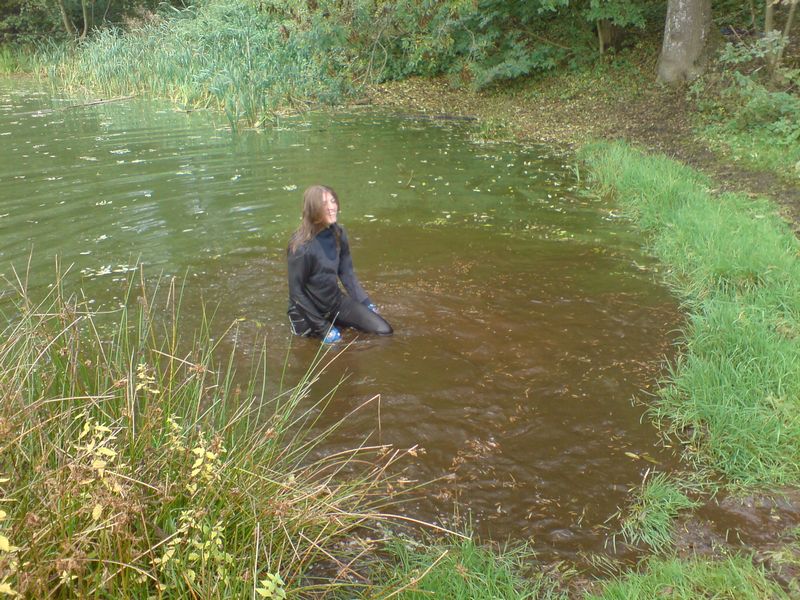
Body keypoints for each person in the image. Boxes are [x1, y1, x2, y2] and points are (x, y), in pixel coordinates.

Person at [287, 185, 393, 343]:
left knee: (384, 331)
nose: (332, 207)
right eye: (324, 204)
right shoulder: (301, 247)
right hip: (306, 313)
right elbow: (296, 293)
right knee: (334, 349)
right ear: (313, 209)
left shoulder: (338, 234)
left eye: (333, 201)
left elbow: (346, 273)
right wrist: (323, 328)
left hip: (335, 303)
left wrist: (366, 303)